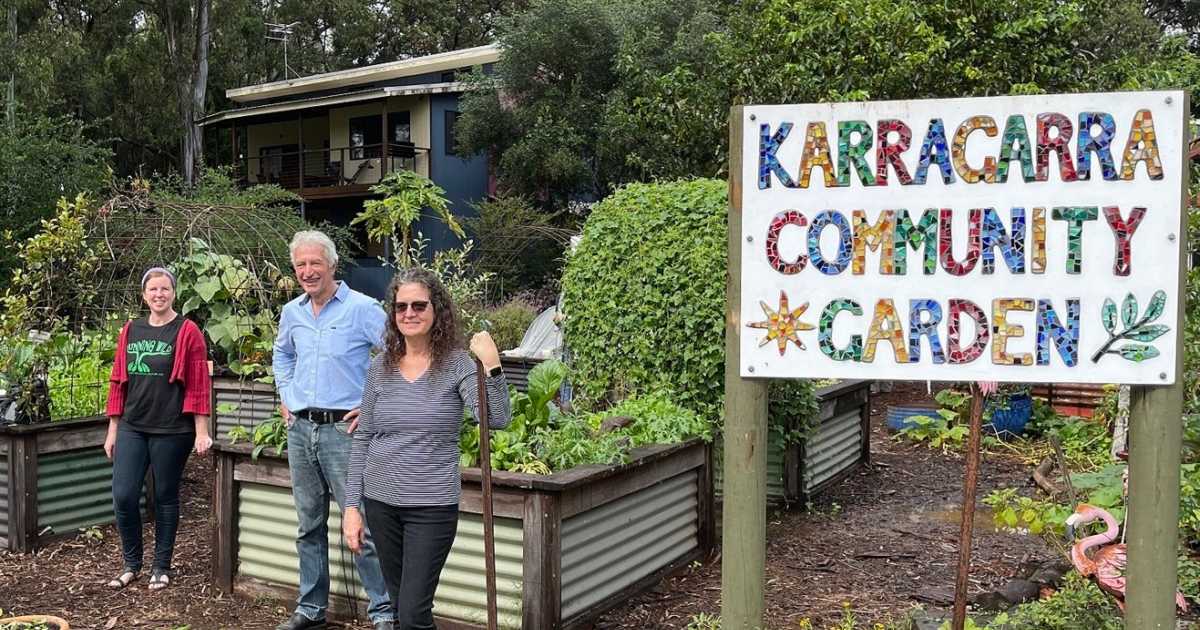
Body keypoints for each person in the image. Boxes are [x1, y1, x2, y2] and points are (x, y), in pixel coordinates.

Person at [343, 267, 511, 630]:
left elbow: (495, 419)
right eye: (401, 306)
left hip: (431, 508)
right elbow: (364, 437)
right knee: (402, 611)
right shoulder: (380, 367)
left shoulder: (457, 366)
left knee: (415, 610)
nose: (409, 313)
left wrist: (493, 366)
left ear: (437, 310)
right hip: (381, 503)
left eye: (419, 305)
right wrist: (352, 507)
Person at [273, 231, 394, 630]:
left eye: (314, 263)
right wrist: (286, 393)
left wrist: (373, 404)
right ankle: (311, 609)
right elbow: (282, 354)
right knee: (308, 525)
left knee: (362, 525)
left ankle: (384, 612)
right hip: (300, 429)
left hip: (345, 432)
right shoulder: (292, 312)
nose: (308, 272)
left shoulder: (363, 309)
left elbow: (397, 355)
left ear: (332, 264)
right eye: (300, 265)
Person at [104, 267, 213, 591]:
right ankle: (131, 563)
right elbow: (117, 381)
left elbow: (197, 382)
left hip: (172, 429)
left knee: (165, 496)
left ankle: (161, 567)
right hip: (133, 426)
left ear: (173, 293)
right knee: (123, 495)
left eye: (165, 289)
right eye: (153, 289)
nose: (159, 294)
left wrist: (201, 430)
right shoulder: (130, 330)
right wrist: (113, 429)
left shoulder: (187, 330)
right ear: (144, 295)